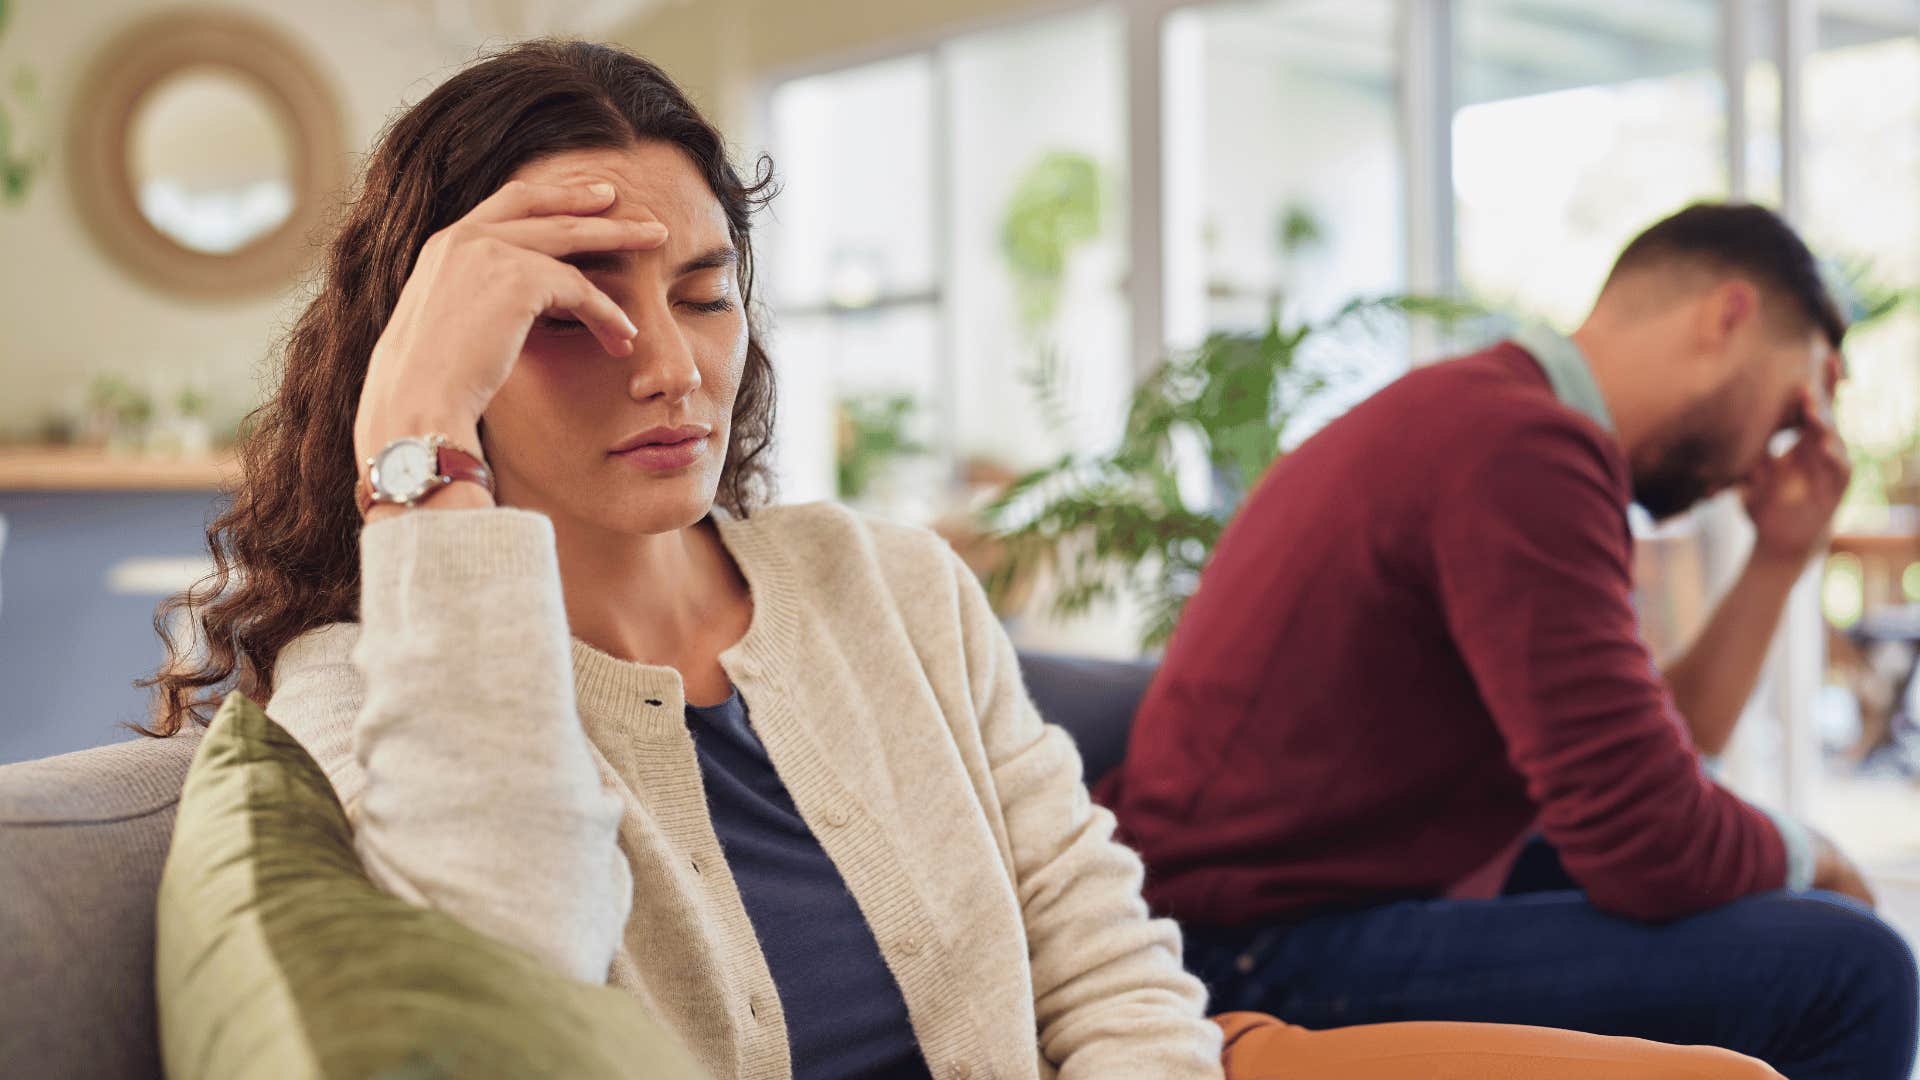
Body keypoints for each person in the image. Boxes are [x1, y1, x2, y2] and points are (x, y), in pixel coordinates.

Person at [138, 43, 1782, 1079]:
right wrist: (418, 432)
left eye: (704, 290)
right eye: (576, 304)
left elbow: (1103, 952)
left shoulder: (881, 583)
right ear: (444, 334)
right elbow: (512, 969)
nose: (670, 365)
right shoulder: (381, 677)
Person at [1102, 203, 1920, 1079]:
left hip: (1282, 901)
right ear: (1729, 317)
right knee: (1853, 970)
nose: (1774, 449)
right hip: (1241, 945)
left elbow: (1654, 766)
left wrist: (1780, 555)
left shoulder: (1492, 416)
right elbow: (1649, 841)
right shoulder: (1524, 448)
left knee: (1777, 907)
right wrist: (1816, 854)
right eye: (1792, 406)